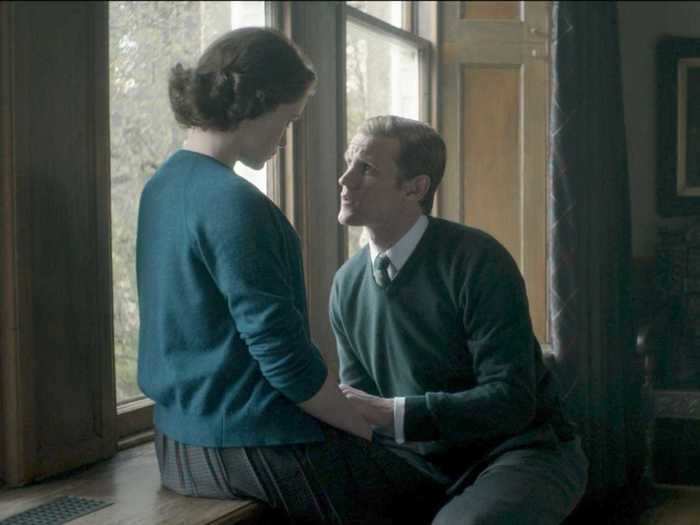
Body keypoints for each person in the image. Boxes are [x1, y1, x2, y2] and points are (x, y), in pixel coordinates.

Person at [137, 29, 442, 524]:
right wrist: (366, 431)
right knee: (432, 495)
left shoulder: (162, 188)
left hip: (176, 446)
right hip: (245, 441)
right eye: (287, 120)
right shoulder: (235, 204)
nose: (285, 138)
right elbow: (284, 362)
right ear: (257, 103)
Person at [330, 115, 589, 524]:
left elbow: (512, 400)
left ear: (415, 188)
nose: (345, 179)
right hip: (424, 465)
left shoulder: (477, 261)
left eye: (366, 168)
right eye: (348, 163)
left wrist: (393, 413)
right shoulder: (346, 285)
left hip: (522, 452)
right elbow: (363, 410)